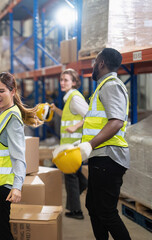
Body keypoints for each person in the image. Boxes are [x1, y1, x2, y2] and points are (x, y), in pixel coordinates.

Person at [0, 71, 43, 240]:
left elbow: (19, 157)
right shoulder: (1, 112)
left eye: (1, 91)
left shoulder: (12, 119)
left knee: (0, 231)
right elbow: (0, 79)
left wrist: (17, 186)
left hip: (3, 185)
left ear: (12, 91)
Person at [78, 48, 131, 239]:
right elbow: (98, 124)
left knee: (106, 212)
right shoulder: (103, 87)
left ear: (101, 64)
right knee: (93, 207)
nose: (92, 65)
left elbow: (116, 122)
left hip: (109, 158)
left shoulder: (111, 85)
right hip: (101, 157)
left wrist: (90, 144)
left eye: (95, 62)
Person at [50, 69, 88, 220]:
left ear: (74, 82)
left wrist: (76, 126)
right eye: (61, 79)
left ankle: (76, 211)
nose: (62, 82)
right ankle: (84, 187)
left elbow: (90, 116)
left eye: (66, 80)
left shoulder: (75, 98)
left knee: (70, 176)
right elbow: (69, 116)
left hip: (74, 145)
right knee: (75, 174)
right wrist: (56, 110)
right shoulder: (69, 99)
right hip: (69, 144)